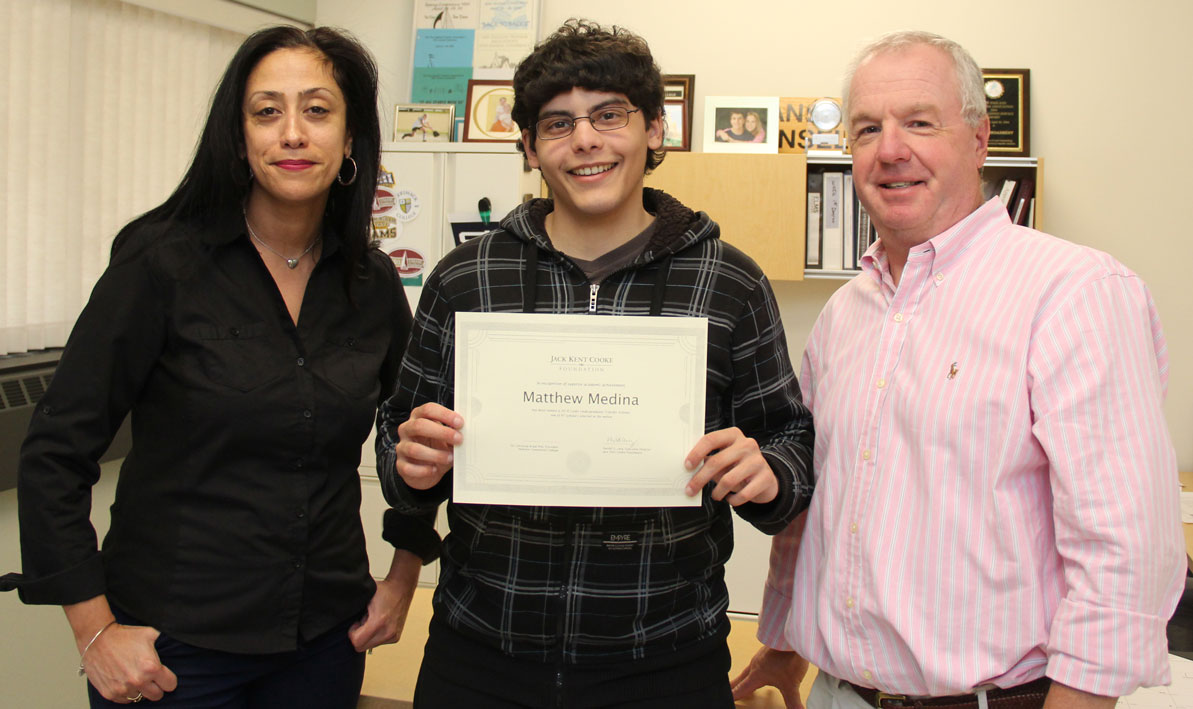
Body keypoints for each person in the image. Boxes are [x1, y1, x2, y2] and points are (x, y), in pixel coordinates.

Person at [731, 30, 1183, 709]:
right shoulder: (843, 315)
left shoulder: (1073, 291)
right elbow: (825, 510)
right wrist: (784, 645)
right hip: (837, 694)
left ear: (978, 141)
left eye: (919, 122)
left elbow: (1124, 552)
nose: (890, 150)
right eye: (866, 129)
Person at [377, 19, 814, 709]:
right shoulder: (465, 278)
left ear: (654, 132)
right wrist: (409, 462)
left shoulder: (729, 281)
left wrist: (766, 471)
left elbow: (791, 441)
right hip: (480, 653)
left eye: (609, 114)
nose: (584, 139)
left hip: (666, 659)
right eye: (556, 123)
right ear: (528, 147)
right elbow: (399, 439)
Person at [0, 26, 438, 707]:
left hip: (325, 638)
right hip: (173, 648)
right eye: (267, 111)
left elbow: (424, 435)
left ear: (350, 138)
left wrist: (404, 573)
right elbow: (55, 453)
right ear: (238, 138)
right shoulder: (160, 264)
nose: (293, 133)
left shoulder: (371, 283)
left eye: (317, 110)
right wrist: (94, 630)